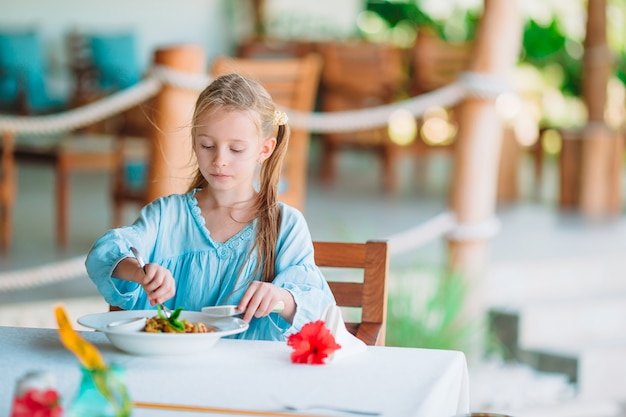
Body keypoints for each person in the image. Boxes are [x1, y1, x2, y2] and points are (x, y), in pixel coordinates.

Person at [85, 73, 336, 341]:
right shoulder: (165, 216)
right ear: (194, 141)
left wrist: (283, 298)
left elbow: (319, 311)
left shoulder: (285, 224)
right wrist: (139, 271)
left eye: (236, 149)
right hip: (172, 370)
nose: (219, 160)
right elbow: (105, 253)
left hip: (251, 375)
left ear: (265, 149)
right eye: (207, 145)